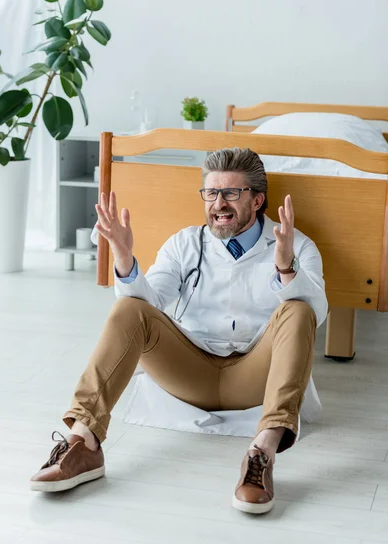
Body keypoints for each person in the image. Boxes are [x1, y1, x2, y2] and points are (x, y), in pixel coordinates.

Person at [31, 147, 328, 514]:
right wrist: (124, 258)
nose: (218, 203)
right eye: (211, 193)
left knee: (297, 310)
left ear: (257, 199)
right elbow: (147, 307)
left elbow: (317, 315)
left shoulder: (295, 244)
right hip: (190, 372)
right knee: (128, 308)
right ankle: (83, 443)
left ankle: (261, 455)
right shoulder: (185, 243)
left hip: (257, 377)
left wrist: (287, 270)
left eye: (231, 193)